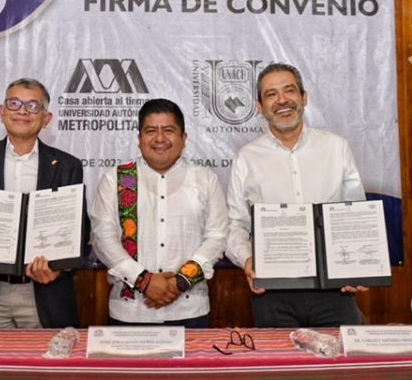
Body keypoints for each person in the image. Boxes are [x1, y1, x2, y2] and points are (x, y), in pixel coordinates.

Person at [226, 62, 368, 328]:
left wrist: (358, 266)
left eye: (289, 90)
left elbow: (355, 214)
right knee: (279, 356)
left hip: (334, 288)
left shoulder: (336, 148)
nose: (282, 100)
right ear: (260, 106)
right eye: (271, 94)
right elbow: (236, 225)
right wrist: (247, 259)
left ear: (304, 97)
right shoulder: (246, 158)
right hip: (272, 290)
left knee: (341, 355)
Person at [0, 78, 89, 329]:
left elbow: (79, 230)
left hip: (44, 295)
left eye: (33, 106)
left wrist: (60, 267)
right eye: (14, 103)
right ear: (2, 112)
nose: (22, 111)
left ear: (46, 118)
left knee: (45, 357)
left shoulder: (68, 166)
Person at [90, 98, 227, 327]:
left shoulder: (205, 179)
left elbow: (217, 237)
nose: (160, 138)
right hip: (130, 312)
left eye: (169, 130)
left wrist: (180, 282)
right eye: (151, 131)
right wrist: (143, 281)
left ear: (184, 138)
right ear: (139, 139)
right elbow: (103, 237)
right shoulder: (117, 179)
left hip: (189, 310)